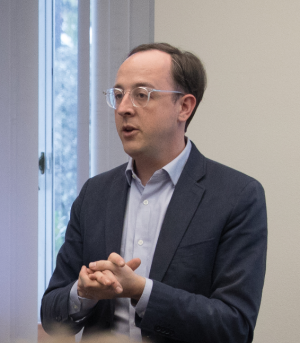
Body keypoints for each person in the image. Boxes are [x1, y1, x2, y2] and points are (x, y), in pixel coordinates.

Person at [41, 43, 267, 343]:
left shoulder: (237, 196)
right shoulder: (94, 193)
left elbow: (234, 326)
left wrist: (141, 291)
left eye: (142, 94)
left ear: (184, 107)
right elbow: (49, 311)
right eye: (119, 95)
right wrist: (82, 293)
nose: (123, 108)